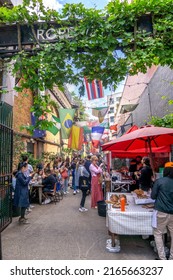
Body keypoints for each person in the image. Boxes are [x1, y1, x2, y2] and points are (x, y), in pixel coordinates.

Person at [151, 162, 173, 260]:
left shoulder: (160, 181)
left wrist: (155, 183)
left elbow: (153, 196)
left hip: (161, 211)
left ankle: (162, 258)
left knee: (158, 233)